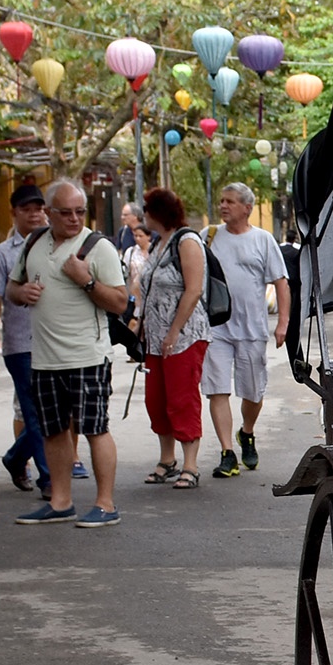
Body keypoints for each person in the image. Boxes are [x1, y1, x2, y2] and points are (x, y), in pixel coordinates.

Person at [3, 179, 129, 527]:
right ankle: (60, 501)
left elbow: (120, 302)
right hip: (44, 358)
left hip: (87, 356)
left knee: (95, 429)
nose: (74, 219)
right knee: (54, 431)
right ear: (49, 213)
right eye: (65, 212)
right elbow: (12, 287)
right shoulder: (33, 243)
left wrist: (85, 280)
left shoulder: (97, 247)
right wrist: (21, 293)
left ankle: (105, 504)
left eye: (79, 212)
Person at [203, 182, 288, 477]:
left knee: (253, 391)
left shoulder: (262, 240)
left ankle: (247, 432)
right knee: (217, 389)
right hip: (216, 328)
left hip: (252, 328)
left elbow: (281, 283)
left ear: (247, 208)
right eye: (222, 201)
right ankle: (227, 453)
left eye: (230, 201)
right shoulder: (208, 236)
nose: (223, 206)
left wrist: (283, 322)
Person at [135, 188, 209, 489]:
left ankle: (190, 464)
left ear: (158, 212)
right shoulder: (157, 243)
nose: (143, 214)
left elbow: (194, 290)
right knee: (156, 400)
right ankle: (167, 459)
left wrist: (175, 330)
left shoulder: (187, 241)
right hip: (155, 338)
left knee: (182, 398)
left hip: (184, 336)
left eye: (146, 208)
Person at [0, 182, 51, 491]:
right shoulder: (1, 254)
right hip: (21, 344)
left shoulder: (57, 245)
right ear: (14, 213)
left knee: (58, 412)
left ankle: (15, 457)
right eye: (27, 209)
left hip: (56, 341)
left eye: (39, 209)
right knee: (34, 413)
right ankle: (49, 478)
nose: (34, 214)